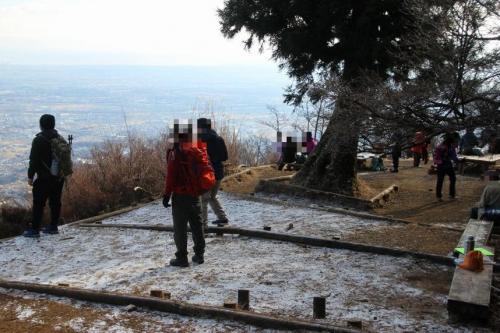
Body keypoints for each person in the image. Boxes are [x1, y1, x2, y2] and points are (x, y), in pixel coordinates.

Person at [163, 122, 209, 267]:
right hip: (195, 193)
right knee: (197, 224)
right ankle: (199, 254)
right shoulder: (197, 150)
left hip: (180, 195)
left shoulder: (176, 153)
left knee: (180, 227)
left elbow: (171, 177)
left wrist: (166, 195)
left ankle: (181, 257)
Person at [24, 114, 69, 238]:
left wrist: (30, 176)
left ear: (41, 125)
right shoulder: (59, 138)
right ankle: (53, 226)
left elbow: (34, 160)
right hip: (59, 177)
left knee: (39, 203)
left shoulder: (39, 140)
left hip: (44, 178)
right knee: (55, 202)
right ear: (53, 124)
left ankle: (34, 230)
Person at [197, 118, 229, 228]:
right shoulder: (219, 139)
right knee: (212, 197)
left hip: (207, 174)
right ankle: (222, 218)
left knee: (204, 199)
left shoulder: (201, 141)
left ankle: (203, 226)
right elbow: (225, 157)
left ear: (201, 128)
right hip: (219, 172)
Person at [433, 134, 460, 201]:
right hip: (445, 164)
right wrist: (459, 161)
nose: (455, 144)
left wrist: (459, 160)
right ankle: (451, 195)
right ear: (451, 142)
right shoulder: (447, 147)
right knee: (451, 179)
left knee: (441, 180)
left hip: (442, 165)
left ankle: (439, 197)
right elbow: (453, 157)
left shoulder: (441, 146)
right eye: (454, 142)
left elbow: (453, 156)